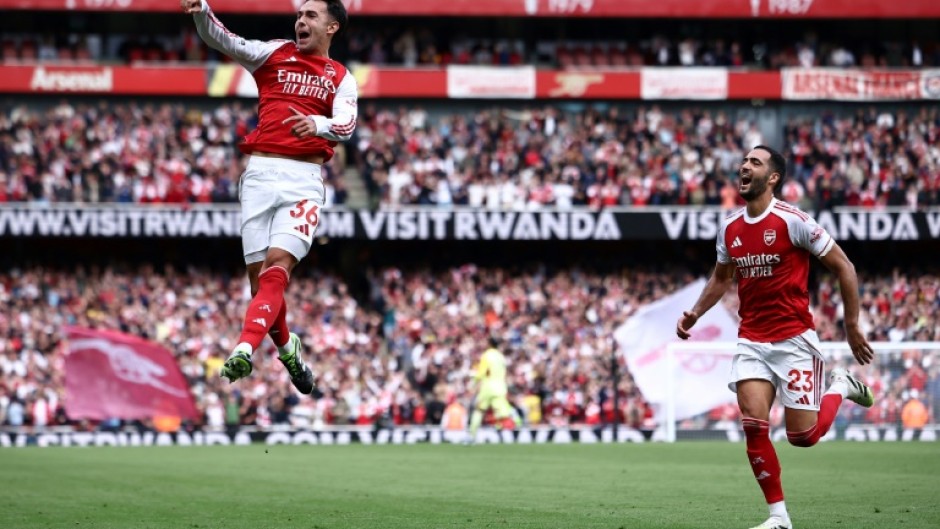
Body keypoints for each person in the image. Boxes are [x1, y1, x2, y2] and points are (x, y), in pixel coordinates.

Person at [676, 145, 876, 529]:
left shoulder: (793, 221)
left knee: (804, 437)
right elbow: (721, 277)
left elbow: (845, 267)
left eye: (755, 162)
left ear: (772, 178)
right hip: (752, 339)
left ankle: (841, 386)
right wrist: (695, 313)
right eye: (744, 161)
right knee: (753, 424)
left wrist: (851, 326)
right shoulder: (730, 228)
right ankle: (779, 517)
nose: (744, 166)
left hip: (794, 340)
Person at [181, 0, 358, 394]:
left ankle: (244, 348)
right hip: (259, 176)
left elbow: (346, 125)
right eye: (299, 15)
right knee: (259, 284)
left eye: (311, 15)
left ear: (332, 27)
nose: (301, 21)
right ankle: (288, 348)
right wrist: (202, 11)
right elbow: (225, 40)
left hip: (303, 181)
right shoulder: (273, 53)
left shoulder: (341, 77)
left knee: (277, 267)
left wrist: (316, 123)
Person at [467, 337, 515, 442]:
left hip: (488, 386)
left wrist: (472, 382)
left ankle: (471, 436)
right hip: (501, 387)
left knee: (479, 410)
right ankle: (508, 433)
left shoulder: (487, 355)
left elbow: (481, 372)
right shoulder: (501, 357)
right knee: (502, 413)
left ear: (489, 344)